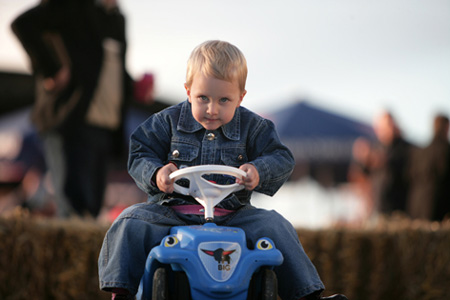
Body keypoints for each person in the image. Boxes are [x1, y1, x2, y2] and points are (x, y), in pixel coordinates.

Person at [98, 41, 347, 300]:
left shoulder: (254, 127)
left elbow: (281, 157)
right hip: (171, 213)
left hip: (233, 214)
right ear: (188, 91)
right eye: (203, 98)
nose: (212, 109)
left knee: (275, 225)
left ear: (240, 97)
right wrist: (156, 173)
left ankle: (307, 295)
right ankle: (121, 291)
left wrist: (259, 170)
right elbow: (139, 152)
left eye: (224, 100)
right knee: (130, 221)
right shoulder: (167, 122)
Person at [11, 0, 132, 218]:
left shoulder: (116, 18)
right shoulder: (72, 5)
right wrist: (50, 68)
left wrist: (134, 86)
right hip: (71, 121)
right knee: (73, 208)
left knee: (93, 210)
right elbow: (22, 24)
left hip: (105, 127)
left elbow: (109, 68)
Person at [370, 110, 414, 215]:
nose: (389, 129)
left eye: (390, 125)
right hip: (379, 207)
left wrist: (385, 161)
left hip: (399, 207)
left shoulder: (404, 147)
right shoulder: (376, 147)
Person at [408, 114, 450, 221]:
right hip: (439, 210)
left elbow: (411, 177)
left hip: (416, 207)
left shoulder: (420, 152)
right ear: (446, 127)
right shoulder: (446, 151)